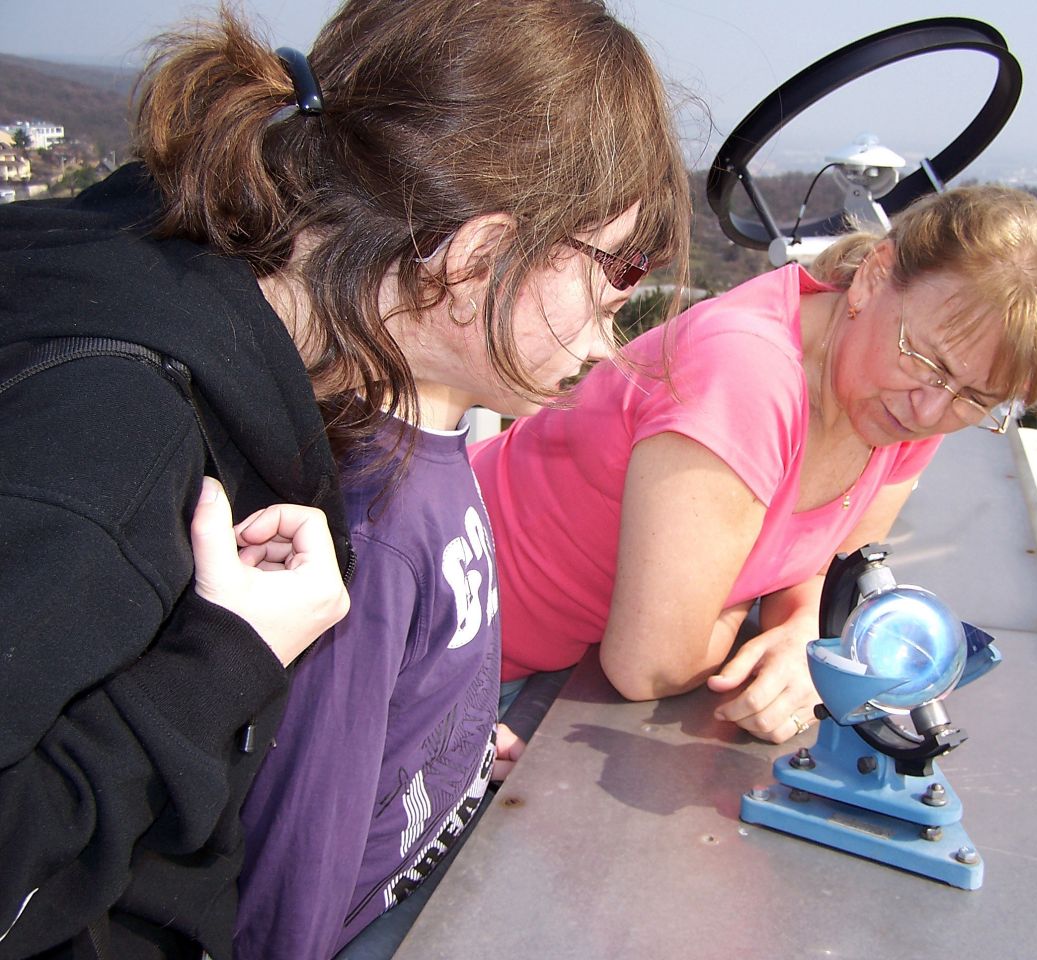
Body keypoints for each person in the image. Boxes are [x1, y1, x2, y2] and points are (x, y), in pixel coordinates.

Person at [0, 0, 688, 957]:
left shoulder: (273, 376)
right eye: (622, 269)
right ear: (478, 255)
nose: (615, 331)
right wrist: (226, 660)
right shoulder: (112, 437)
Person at [473, 184, 1037, 745]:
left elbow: (831, 568)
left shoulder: (902, 405)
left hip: (560, 676)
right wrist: (738, 605)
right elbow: (650, 665)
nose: (931, 410)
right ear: (873, 278)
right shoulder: (745, 376)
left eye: (976, 398)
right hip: (468, 654)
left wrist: (802, 638)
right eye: (928, 362)